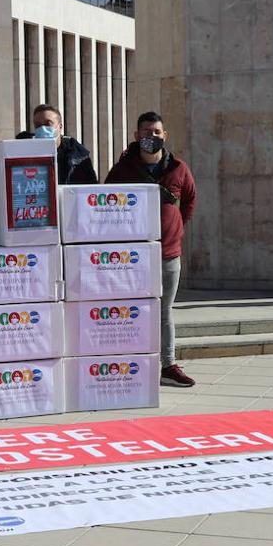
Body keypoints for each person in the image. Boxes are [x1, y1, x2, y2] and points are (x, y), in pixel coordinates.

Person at [106, 111, 198, 388]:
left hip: (168, 254)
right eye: (146, 132)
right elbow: (105, 205)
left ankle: (168, 366)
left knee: (165, 311)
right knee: (130, 311)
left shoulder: (179, 168)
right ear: (137, 136)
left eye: (156, 132)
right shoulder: (122, 170)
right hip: (131, 258)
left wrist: (175, 228)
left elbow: (190, 201)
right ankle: (131, 365)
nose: (152, 137)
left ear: (164, 135)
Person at [30, 104, 97, 184]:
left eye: (48, 124)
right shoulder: (26, 153)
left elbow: (90, 190)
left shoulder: (79, 157)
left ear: (60, 127)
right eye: (38, 125)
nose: (42, 128)